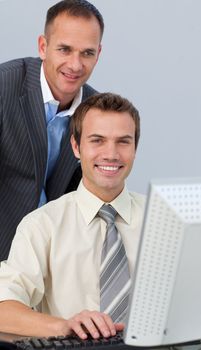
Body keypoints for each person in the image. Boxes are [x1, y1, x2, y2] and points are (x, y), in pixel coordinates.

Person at [0, 92, 145, 340]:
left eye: (123, 141)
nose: (111, 154)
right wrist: (64, 327)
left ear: (135, 148)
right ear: (76, 147)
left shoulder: (163, 220)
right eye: (97, 140)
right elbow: (3, 309)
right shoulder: (42, 225)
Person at [0, 0, 104, 261]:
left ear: (98, 54)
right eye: (65, 49)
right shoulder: (4, 86)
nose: (75, 64)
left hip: (55, 258)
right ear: (43, 47)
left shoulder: (95, 111)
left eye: (87, 53)